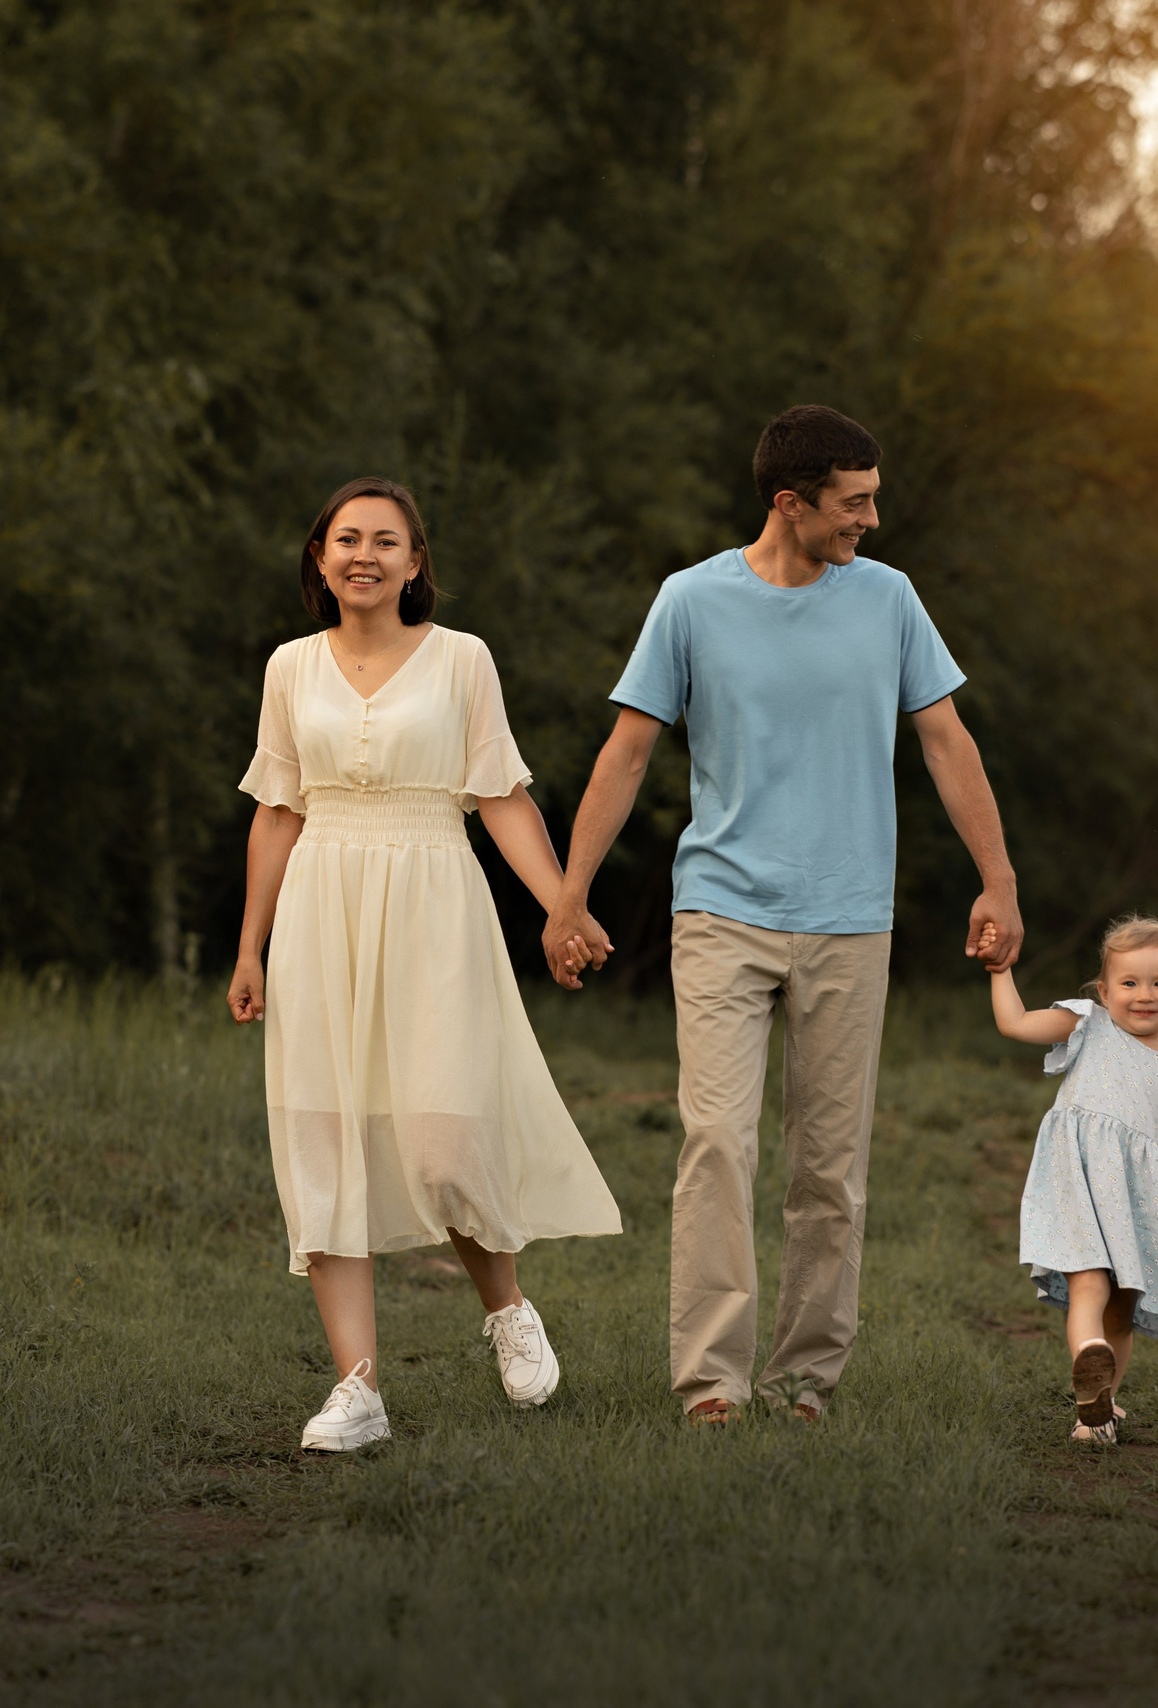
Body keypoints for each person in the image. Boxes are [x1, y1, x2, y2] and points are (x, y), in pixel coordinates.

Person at [546, 405, 1023, 1423]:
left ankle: (804, 1379)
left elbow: (944, 740)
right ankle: (712, 1383)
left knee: (828, 1165)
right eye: (852, 504)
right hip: (722, 910)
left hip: (852, 917)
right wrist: (568, 893)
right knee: (717, 1141)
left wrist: (999, 879)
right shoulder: (690, 600)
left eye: (873, 499)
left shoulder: (888, 600)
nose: (870, 521)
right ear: (788, 502)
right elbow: (626, 751)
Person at [227, 476, 623, 1453]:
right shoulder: (289, 667)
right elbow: (277, 809)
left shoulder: (459, 662)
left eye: (385, 540)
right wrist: (251, 944)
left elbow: (499, 796)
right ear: (321, 559)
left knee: (443, 1142)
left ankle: (505, 1306)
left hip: (435, 901)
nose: (364, 554)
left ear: (414, 562)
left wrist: (562, 904)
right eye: (345, 538)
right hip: (323, 903)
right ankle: (357, 1389)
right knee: (322, 1141)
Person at [983, 917, 1158, 1443]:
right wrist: (1001, 970)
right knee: (1091, 1283)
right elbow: (1016, 1024)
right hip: (1077, 1179)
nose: (1144, 995)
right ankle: (1093, 1379)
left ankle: (1099, 1401)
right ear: (1104, 990)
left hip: (1134, 1198)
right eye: (1130, 983)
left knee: (1117, 1302)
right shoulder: (1087, 1025)